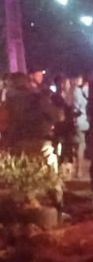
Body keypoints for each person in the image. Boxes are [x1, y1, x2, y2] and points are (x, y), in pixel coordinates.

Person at [1, 72, 63, 206]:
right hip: (39, 139)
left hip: (17, 142)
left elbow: (4, 121)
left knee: (21, 176)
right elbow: (56, 116)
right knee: (50, 172)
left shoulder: (9, 101)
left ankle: (24, 206)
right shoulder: (37, 97)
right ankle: (57, 203)